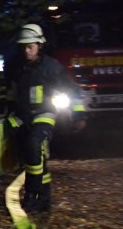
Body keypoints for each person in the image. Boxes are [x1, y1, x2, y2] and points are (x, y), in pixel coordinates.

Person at [5, 23, 86, 213]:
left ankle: (33, 194)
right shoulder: (14, 66)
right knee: (30, 155)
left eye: (30, 46)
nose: (26, 51)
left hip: (44, 113)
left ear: (39, 45)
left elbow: (73, 90)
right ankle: (45, 196)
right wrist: (4, 115)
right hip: (21, 116)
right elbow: (8, 93)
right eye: (23, 47)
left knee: (34, 144)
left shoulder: (51, 67)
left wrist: (79, 115)